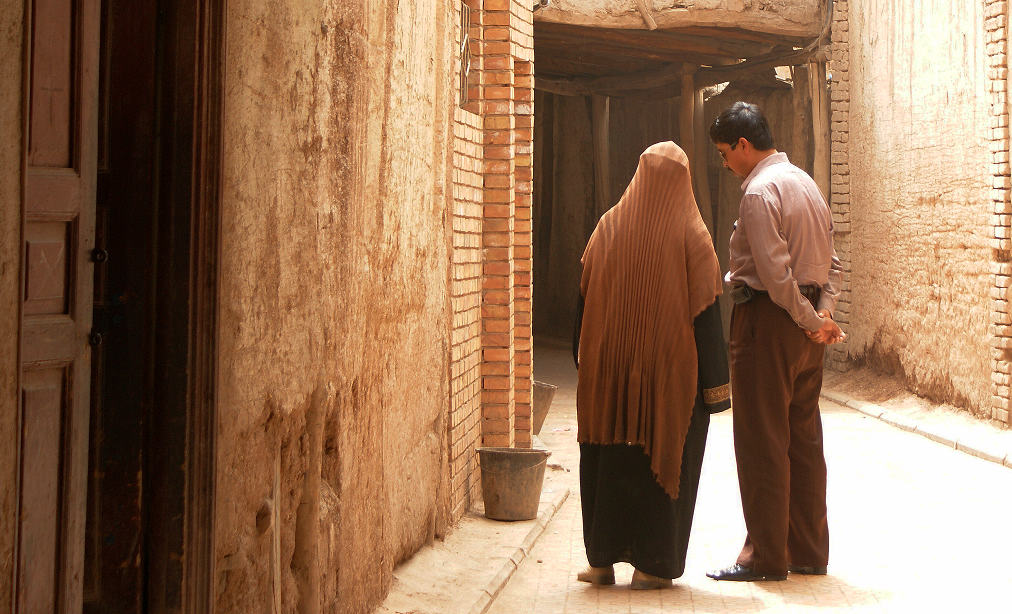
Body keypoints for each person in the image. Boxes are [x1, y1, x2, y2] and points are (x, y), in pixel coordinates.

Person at [573, 141, 731, 590]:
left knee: (604, 460)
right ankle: (653, 566)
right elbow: (706, 319)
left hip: (607, 378)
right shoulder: (694, 237)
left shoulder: (606, 227)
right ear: (683, 183)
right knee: (665, 460)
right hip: (667, 383)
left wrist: (590, 364)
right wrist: (715, 391)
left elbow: (582, 302)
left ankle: (600, 562)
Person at [705, 102, 845, 583]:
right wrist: (823, 316)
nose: (725, 164)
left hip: (768, 325)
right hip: (806, 332)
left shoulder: (759, 193)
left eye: (725, 153)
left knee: (762, 441)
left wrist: (808, 319)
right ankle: (808, 551)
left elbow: (774, 274)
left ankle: (766, 558)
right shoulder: (805, 183)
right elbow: (833, 262)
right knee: (803, 440)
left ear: (744, 145)